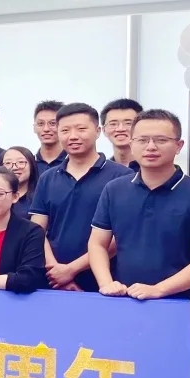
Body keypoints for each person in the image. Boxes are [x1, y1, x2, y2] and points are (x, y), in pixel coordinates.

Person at [89, 109, 190, 371]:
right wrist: (106, 283)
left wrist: (159, 289)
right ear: (132, 144)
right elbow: (97, 243)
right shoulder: (115, 190)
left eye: (161, 140)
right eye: (142, 140)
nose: (150, 147)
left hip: (181, 312)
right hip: (126, 307)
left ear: (179, 146)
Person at [30, 102, 133, 292]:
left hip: (105, 281)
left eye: (81, 129)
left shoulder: (122, 177)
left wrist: (71, 270)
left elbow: (122, 235)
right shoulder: (48, 178)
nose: (73, 136)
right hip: (53, 281)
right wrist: (56, 272)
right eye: (65, 130)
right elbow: (36, 230)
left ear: (98, 131)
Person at [100, 98, 143, 169]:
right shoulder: (101, 170)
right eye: (113, 124)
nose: (120, 129)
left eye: (128, 123)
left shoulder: (153, 169)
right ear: (104, 130)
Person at [1, 146, 39, 218]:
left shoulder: (40, 197)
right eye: (8, 163)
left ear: (32, 165)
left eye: (21, 162)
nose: (14, 167)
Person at [32, 100, 66, 175]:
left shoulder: (73, 162)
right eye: (41, 124)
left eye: (53, 123)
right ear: (34, 128)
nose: (46, 129)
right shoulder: (29, 165)